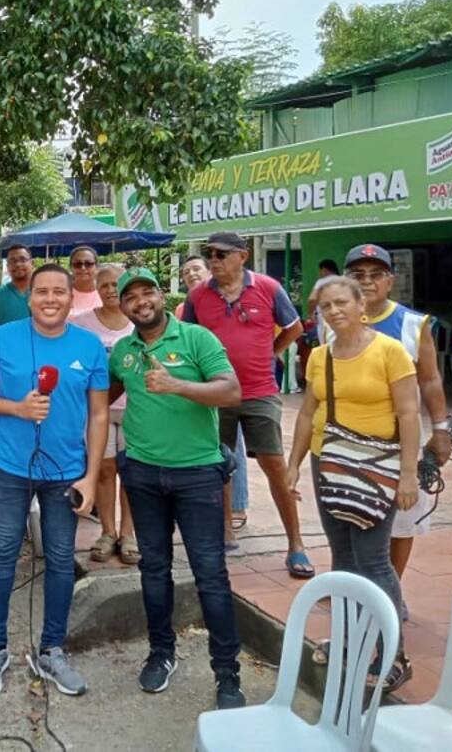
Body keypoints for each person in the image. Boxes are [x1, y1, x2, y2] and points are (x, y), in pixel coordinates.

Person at [0, 263, 107, 699]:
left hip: (65, 472)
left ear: (72, 297)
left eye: (58, 292)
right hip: (9, 467)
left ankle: (52, 649)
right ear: (30, 297)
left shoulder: (90, 345)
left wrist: (91, 476)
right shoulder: (2, 339)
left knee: (62, 559)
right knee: (4, 554)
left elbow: (99, 413)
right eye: (41, 291)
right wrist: (16, 408)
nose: (49, 299)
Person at [110, 267, 247, 710]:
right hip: (143, 475)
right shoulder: (124, 352)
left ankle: (227, 673)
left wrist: (177, 385)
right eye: (130, 297)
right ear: (123, 307)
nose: (140, 301)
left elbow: (230, 392)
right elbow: (102, 395)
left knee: (210, 574)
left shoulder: (196, 339)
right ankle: (161, 653)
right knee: (154, 570)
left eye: (147, 292)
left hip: (198, 474)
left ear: (160, 296)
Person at [286, 276, 420, 693]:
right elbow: (308, 413)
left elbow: (409, 414)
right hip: (330, 465)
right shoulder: (319, 356)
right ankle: (348, 640)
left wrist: (409, 473)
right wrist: (293, 464)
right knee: (342, 558)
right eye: (325, 306)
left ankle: (394, 652)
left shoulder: (389, 351)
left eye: (341, 302)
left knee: (373, 562)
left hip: (376, 468)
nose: (334, 311)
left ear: (361, 304)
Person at [182, 232, 312, 579]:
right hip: (216, 393)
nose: (214, 260)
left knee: (274, 464)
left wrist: (271, 352)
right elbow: (187, 338)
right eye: (210, 254)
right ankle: (224, 533)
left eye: (222, 254)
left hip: (259, 392)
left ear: (242, 256)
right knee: (218, 464)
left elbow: (294, 327)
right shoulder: (198, 296)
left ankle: (296, 543)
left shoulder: (268, 288)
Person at [337, 244, 452, 617]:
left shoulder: (412, 324)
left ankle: (390, 596)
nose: (367, 282)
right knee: (352, 518)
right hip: (348, 442)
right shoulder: (334, 323)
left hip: (399, 443)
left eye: (376, 274)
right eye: (358, 275)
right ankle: (358, 592)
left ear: (390, 280)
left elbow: (431, 380)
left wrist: (440, 429)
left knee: (402, 521)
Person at [179, 254, 249, 540]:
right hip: (201, 386)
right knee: (215, 446)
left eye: (196, 268)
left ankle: (237, 507)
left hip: (233, 383)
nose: (191, 274)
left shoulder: (232, 296)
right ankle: (216, 510)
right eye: (186, 272)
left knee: (235, 450)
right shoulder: (188, 306)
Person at [71, 263, 138, 566]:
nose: (111, 290)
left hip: (136, 410)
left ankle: (129, 533)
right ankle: (107, 532)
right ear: (97, 289)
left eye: (116, 284)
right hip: (97, 410)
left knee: (132, 472)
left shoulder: (139, 320)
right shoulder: (82, 322)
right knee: (105, 469)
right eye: (105, 285)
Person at [68, 246, 103, 316]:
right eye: (78, 264)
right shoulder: (62, 292)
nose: (83, 268)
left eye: (88, 264)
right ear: (71, 267)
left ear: (97, 267)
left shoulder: (106, 292)